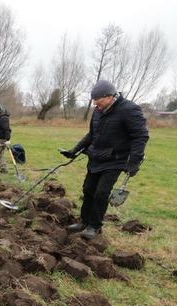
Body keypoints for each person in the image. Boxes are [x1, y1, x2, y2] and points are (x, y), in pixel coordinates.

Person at [61, 80, 148, 240]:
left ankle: (94, 226)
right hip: (96, 158)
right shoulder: (98, 111)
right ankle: (84, 222)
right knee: (88, 190)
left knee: (101, 193)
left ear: (109, 97)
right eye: (93, 100)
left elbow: (140, 136)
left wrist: (134, 161)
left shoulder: (129, 110)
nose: (95, 103)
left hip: (115, 159)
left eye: (98, 100)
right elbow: (91, 135)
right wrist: (74, 150)